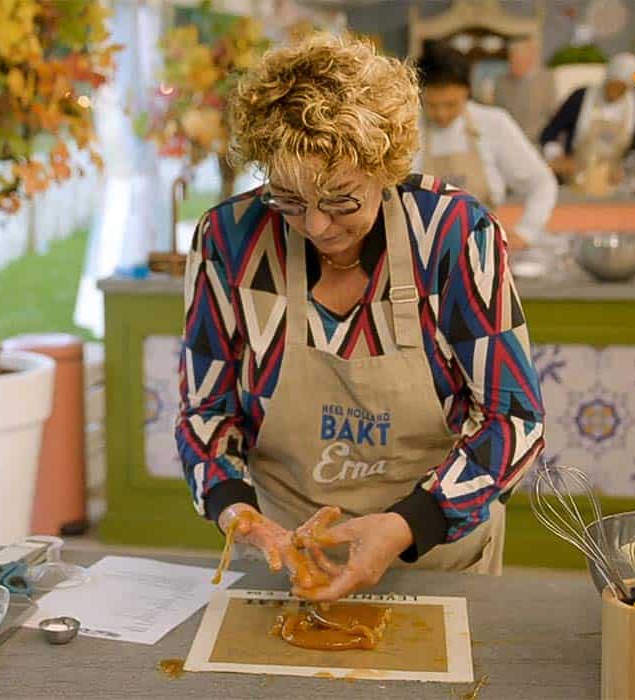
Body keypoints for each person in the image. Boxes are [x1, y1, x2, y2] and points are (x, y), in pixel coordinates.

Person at [175, 33, 545, 602]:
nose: (316, 226)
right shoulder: (229, 240)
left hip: (436, 556)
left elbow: (514, 418)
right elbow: (206, 411)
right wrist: (237, 512)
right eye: (288, 200)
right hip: (290, 561)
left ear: (386, 165)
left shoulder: (452, 236)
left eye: (341, 199)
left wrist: (405, 525)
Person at [413, 42, 557, 250]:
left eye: (451, 104)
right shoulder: (408, 128)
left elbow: (542, 182)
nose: (441, 114)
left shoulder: (493, 123)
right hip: (422, 253)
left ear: (467, 92)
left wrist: (528, 231)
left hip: (485, 253)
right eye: (432, 105)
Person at [540, 52, 635, 182]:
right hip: (575, 177)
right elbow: (549, 133)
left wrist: (625, 169)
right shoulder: (581, 98)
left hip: (613, 181)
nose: (615, 92)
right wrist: (558, 158)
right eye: (613, 85)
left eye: (622, 88)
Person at [493, 37, 556, 143]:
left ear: (529, 60)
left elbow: (549, 113)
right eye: (511, 59)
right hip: (507, 137)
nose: (512, 63)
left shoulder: (546, 79)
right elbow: (498, 112)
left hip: (536, 139)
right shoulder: (501, 81)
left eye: (518, 59)